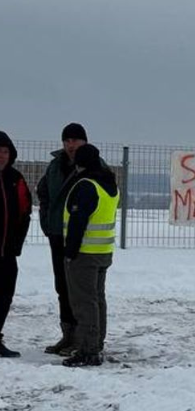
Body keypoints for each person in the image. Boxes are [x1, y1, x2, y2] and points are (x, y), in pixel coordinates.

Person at [37, 123, 105, 355]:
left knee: (84, 291)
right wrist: (46, 220)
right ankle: (68, 334)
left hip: (84, 240)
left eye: (75, 140)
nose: (70, 144)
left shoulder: (94, 166)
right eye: (67, 140)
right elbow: (43, 192)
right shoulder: (56, 166)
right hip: (58, 233)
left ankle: (84, 338)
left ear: (84, 142)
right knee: (62, 287)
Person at [60, 143, 119, 368]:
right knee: (97, 300)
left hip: (84, 254)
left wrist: (69, 253)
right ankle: (96, 343)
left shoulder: (85, 185)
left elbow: (78, 222)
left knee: (84, 302)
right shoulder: (110, 184)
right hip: (103, 252)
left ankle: (87, 349)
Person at [0, 132, 32, 358]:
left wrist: (16, 245)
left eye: (5, 151)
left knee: (4, 294)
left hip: (7, 252)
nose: (1, 156)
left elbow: (25, 213)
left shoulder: (15, 178)